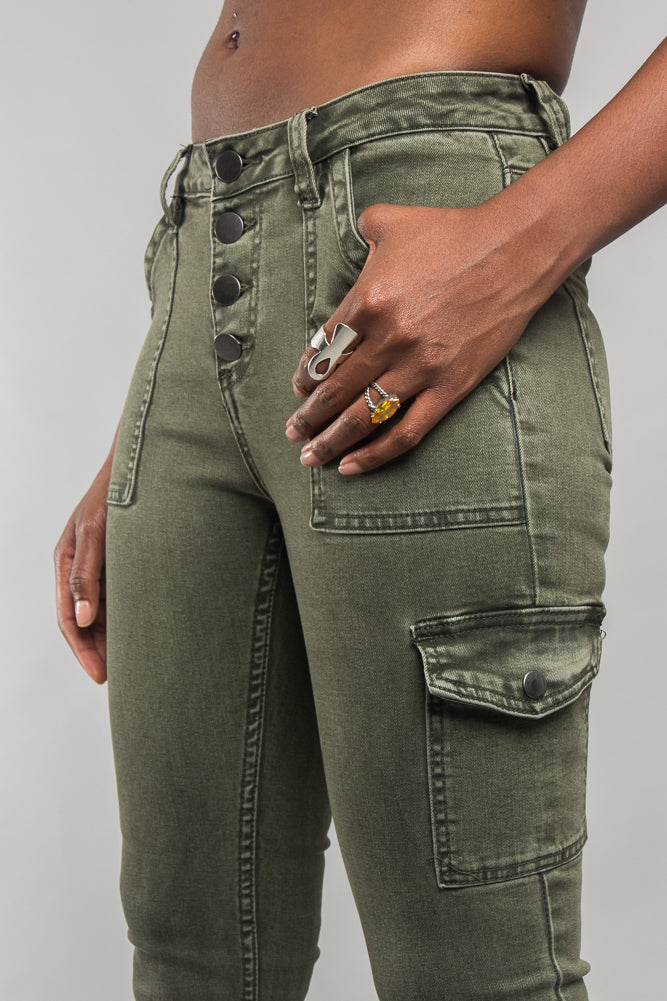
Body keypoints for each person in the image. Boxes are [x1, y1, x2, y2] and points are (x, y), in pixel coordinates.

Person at [53, 3, 666, 998]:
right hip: (199, 274)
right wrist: (152, 413)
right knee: (189, 962)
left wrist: (517, 244)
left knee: (469, 976)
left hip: (424, 225)